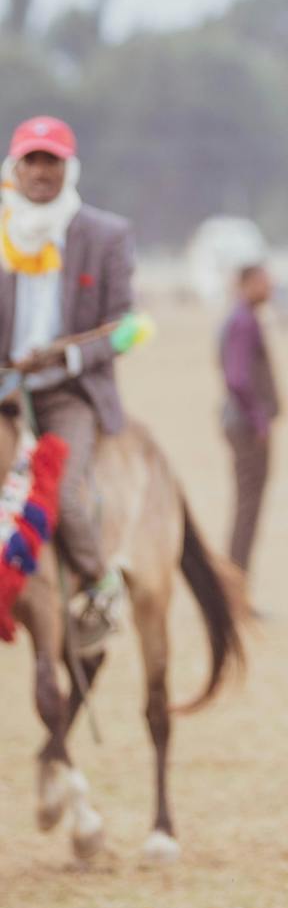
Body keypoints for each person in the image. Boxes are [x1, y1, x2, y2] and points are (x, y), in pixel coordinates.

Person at [0, 115, 133, 652]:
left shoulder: (104, 235)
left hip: (67, 391)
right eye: (31, 160)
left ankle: (99, 587)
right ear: (15, 167)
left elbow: (124, 328)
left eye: (50, 160)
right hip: (4, 388)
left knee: (68, 497)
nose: (40, 171)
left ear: (68, 169)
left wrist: (68, 354)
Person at [219, 247, 280, 580]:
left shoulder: (240, 317)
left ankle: (236, 585)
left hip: (241, 423)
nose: (270, 287)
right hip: (246, 427)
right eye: (264, 281)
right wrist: (259, 420)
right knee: (247, 512)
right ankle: (235, 587)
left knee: (247, 509)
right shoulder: (243, 321)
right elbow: (237, 378)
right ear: (247, 284)